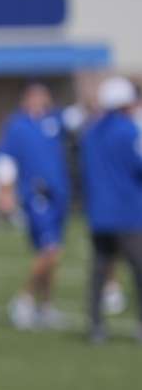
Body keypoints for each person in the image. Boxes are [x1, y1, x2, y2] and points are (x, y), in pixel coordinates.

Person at [0, 83, 72, 330]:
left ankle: (46, 307)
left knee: (53, 254)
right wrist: (5, 192)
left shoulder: (54, 122)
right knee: (50, 250)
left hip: (58, 194)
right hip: (36, 194)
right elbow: (6, 159)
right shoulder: (18, 126)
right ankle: (24, 299)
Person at [79, 76, 142, 344]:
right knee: (138, 269)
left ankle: (96, 326)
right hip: (129, 212)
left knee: (99, 271)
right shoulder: (130, 131)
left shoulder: (90, 132)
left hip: (99, 213)